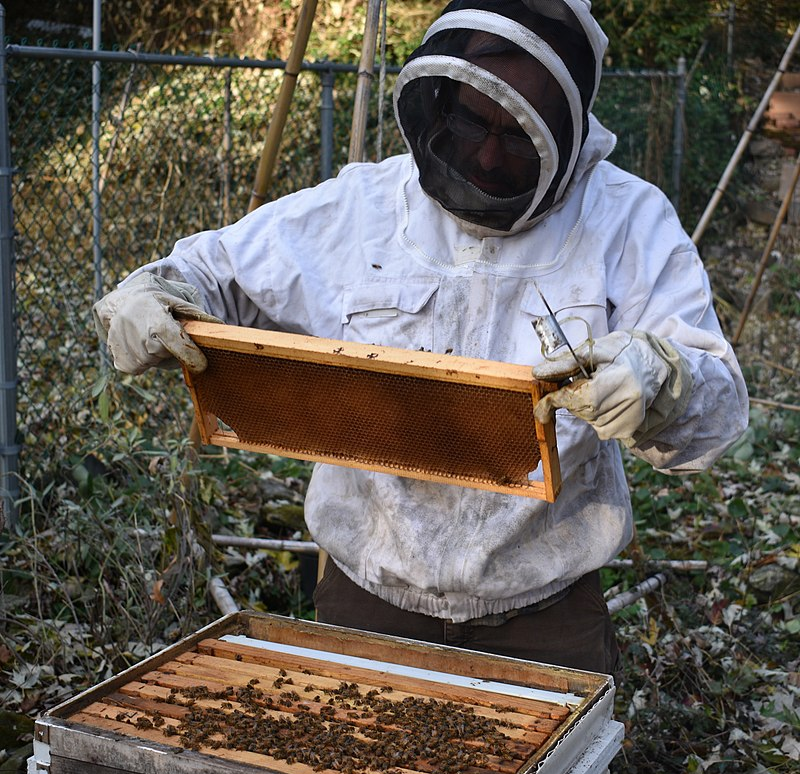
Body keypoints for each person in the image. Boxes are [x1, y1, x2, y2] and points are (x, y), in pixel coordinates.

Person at [93, 0, 749, 677]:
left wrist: (663, 378)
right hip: (369, 598)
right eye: (473, 121)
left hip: (545, 615)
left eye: (520, 133)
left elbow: (719, 413)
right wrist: (152, 293)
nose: (490, 153)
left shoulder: (627, 221)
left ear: (567, 130)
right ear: (440, 103)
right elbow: (208, 272)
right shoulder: (363, 208)